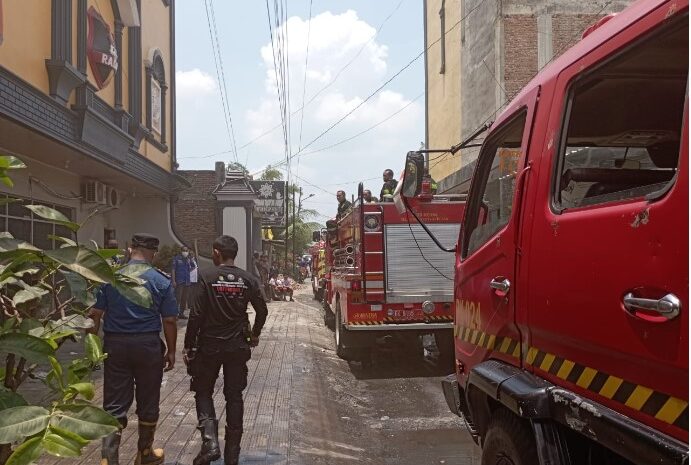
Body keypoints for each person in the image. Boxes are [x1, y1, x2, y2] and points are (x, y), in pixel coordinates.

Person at [88, 233, 178, 465]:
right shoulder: (161, 280)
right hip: (147, 346)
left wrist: (93, 347)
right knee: (148, 399)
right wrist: (171, 351)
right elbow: (169, 320)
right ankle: (144, 454)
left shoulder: (111, 277)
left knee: (114, 402)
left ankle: (108, 460)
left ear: (130, 249)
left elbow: (95, 315)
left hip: (115, 345)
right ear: (153, 254)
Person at [184, 235, 268, 465]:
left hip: (208, 346)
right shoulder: (248, 279)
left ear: (217, 253)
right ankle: (233, 456)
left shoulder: (206, 277)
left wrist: (189, 346)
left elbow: (196, 315)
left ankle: (210, 444)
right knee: (234, 396)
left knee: (203, 392)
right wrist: (255, 334)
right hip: (237, 346)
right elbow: (262, 311)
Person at [172, 246, 194, 319]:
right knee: (177, 298)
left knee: (184, 299)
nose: (185, 252)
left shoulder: (188, 259)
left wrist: (188, 271)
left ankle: (181, 314)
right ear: (181, 251)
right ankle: (174, 314)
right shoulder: (177, 258)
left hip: (187, 282)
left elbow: (193, 266)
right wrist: (174, 280)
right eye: (184, 250)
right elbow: (173, 270)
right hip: (179, 281)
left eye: (186, 250)